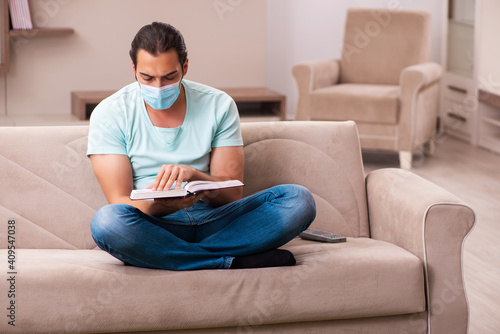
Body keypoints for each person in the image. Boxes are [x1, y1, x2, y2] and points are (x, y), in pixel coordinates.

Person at [87, 22, 316, 271]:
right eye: (147, 78)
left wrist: (194, 175)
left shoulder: (218, 105)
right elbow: (118, 200)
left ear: (185, 66)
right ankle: (231, 259)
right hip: (153, 225)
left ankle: (175, 256)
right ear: (134, 69)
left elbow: (231, 195)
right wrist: (161, 206)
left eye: (169, 77)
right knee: (107, 223)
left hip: (216, 221)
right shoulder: (110, 113)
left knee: (298, 200)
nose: (158, 88)